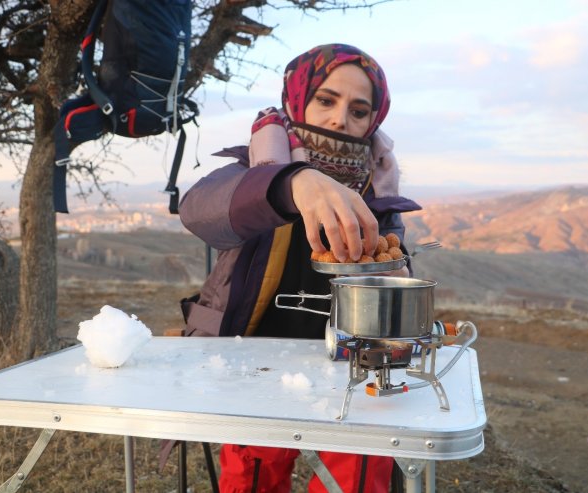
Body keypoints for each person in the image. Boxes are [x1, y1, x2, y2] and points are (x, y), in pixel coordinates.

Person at [178, 44, 421, 493]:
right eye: (326, 100)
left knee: (358, 481)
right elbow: (198, 210)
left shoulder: (380, 193)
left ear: (374, 120)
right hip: (256, 366)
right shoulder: (252, 169)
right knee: (251, 481)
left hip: (355, 372)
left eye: (358, 109)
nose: (338, 119)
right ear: (299, 99)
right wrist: (289, 184)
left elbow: (393, 275)